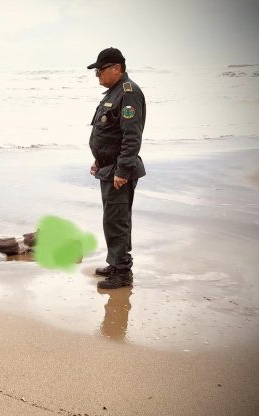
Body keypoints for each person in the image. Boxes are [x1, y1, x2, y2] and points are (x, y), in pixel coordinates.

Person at [87, 47, 146, 289]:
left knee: (117, 221)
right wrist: (99, 159)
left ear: (116, 68)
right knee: (112, 220)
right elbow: (110, 133)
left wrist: (122, 170)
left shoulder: (128, 93)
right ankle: (115, 263)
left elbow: (132, 136)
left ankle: (122, 273)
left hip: (119, 172)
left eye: (100, 70)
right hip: (109, 168)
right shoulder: (114, 92)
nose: (97, 75)